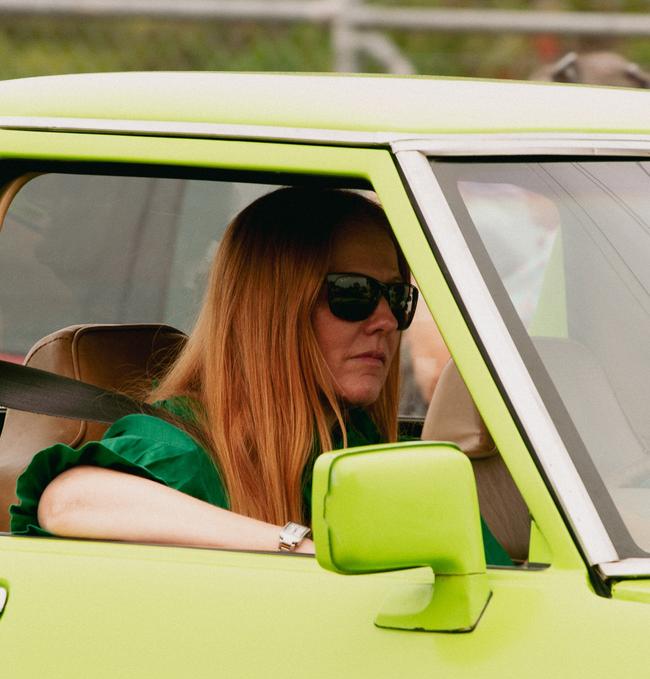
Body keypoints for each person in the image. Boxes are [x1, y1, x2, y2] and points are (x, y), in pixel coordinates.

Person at [9, 187, 417, 554]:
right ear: (272, 309)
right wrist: (298, 548)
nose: (386, 320)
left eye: (397, 296)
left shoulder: (353, 441)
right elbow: (70, 501)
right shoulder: (182, 448)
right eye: (353, 293)